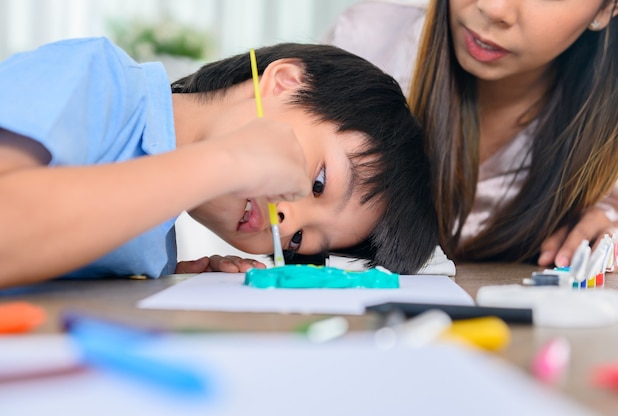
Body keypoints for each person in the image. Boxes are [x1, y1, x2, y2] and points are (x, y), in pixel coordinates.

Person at [0, 37, 438, 289]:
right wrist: (223, 161)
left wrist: (141, 273)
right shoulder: (95, 77)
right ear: (283, 83)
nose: (284, 222)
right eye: (319, 182)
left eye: (299, 240)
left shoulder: (158, 242)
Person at [325, 0, 618, 270]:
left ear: (608, 7)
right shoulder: (366, 41)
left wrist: (611, 240)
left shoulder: (614, 149)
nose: (493, 9)